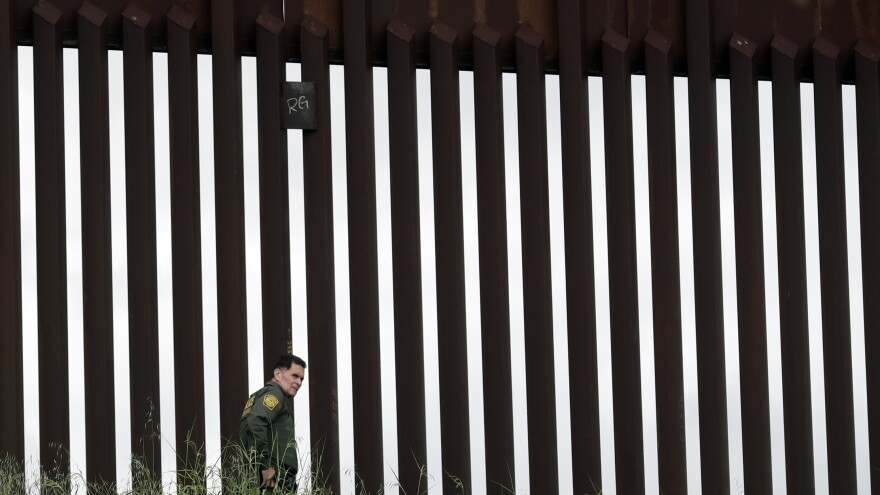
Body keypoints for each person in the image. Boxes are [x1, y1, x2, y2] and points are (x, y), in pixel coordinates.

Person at [240, 354, 306, 493]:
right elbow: (255, 423)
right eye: (294, 376)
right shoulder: (274, 395)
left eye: (301, 379)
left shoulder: (259, 396)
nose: (299, 382)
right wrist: (265, 465)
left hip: (263, 478)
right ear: (278, 374)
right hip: (273, 479)